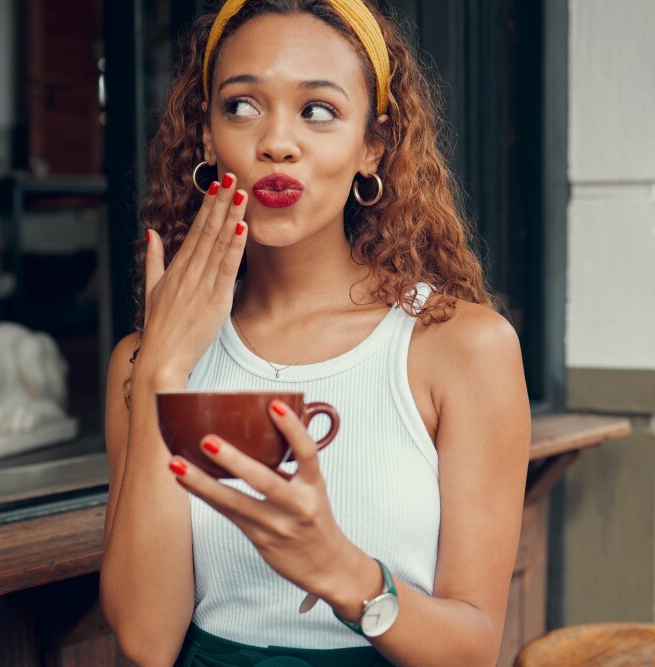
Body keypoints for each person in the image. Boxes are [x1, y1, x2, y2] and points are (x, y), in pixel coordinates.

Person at [100, 0, 531, 664]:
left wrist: (341, 570)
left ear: (372, 146)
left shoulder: (463, 348)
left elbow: (473, 650)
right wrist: (163, 371)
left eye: (318, 111)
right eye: (241, 106)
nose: (277, 141)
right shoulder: (146, 359)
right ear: (209, 138)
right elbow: (148, 641)